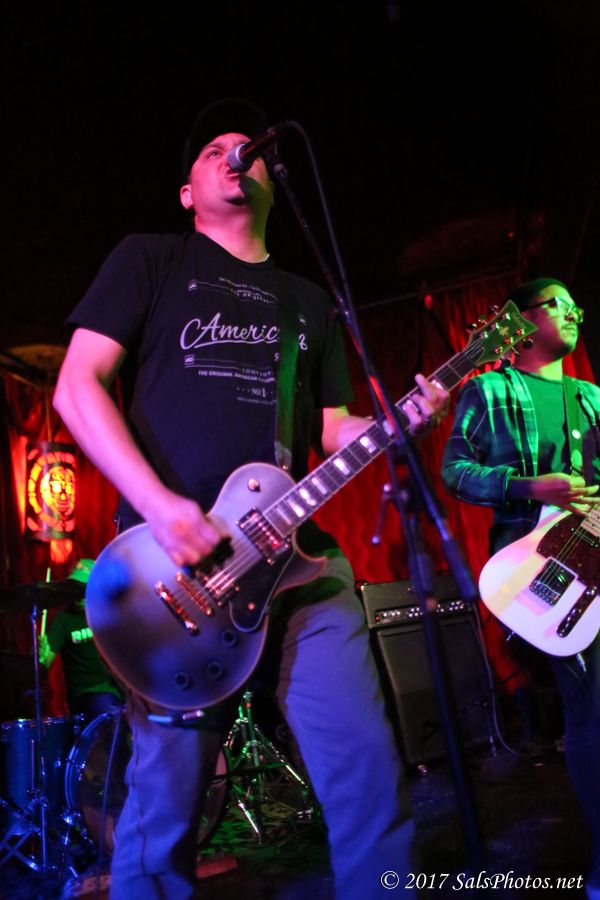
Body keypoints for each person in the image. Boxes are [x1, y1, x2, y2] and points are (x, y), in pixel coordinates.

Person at [53, 98, 450, 899]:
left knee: (367, 771)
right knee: (165, 813)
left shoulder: (306, 301)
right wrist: (161, 505)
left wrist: (403, 418)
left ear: (274, 180)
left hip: (296, 564)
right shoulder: (151, 260)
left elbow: (333, 430)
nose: (237, 153)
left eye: (251, 148)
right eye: (214, 150)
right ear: (187, 193)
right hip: (176, 574)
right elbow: (76, 386)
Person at [441, 277, 600, 896]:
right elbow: (455, 470)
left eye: (575, 303)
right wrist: (528, 487)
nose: (574, 311)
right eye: (559, 303)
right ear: (523, 321)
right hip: (538, 569)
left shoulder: (591, 397)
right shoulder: (490, 389)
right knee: (590, 703)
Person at [38, 558, 123, 719]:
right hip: (87, 693)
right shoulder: (63, 619)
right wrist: (42, 657)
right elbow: (45, 661)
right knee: (107, 709)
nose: (78, 593)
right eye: (74, 587)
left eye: (83, 587)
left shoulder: (110, 612)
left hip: (119, 687)